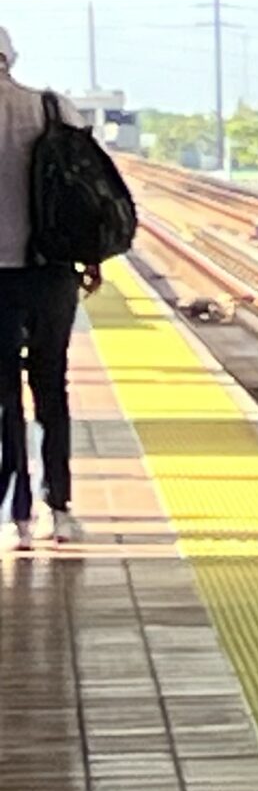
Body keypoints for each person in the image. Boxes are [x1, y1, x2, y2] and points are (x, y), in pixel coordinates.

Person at [0, 29, 101, 548]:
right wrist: (91, 257)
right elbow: (88, 189)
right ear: (10, 57)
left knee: (3, 402)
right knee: (50, 386)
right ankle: (58, 508)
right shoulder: (53, 107)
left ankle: (15, 518)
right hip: (50, 271)